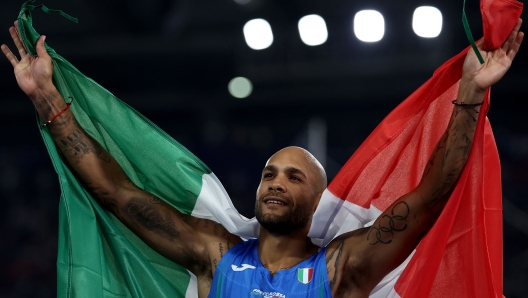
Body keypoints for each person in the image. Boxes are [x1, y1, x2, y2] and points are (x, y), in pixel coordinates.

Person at [1, 18, 523, 298]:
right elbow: (115, 194)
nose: (275, 182)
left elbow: (430, 196)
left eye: (294, 177)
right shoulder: (214, 255)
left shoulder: (341, 269)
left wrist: (471, 95)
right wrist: (46, 97)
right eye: (270, 172)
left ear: (316, 201)